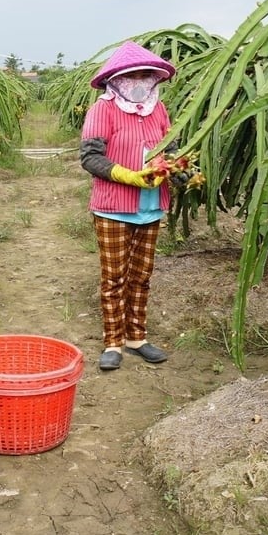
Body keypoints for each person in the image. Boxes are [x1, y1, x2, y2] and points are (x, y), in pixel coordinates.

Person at [78, 41, 180, 371]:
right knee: (114, 278)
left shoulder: (159, 111)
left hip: (151, 207)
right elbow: (90, 157)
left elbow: (172, 148)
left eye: (145, 75)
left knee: (141, 276)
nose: (138, 81)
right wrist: (129, 176)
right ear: (116, 80)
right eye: (131, 76)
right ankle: (113, 342)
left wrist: (176, 169)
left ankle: (137, 337)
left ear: (154, 78)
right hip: (113, 207)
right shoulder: (102, 110)